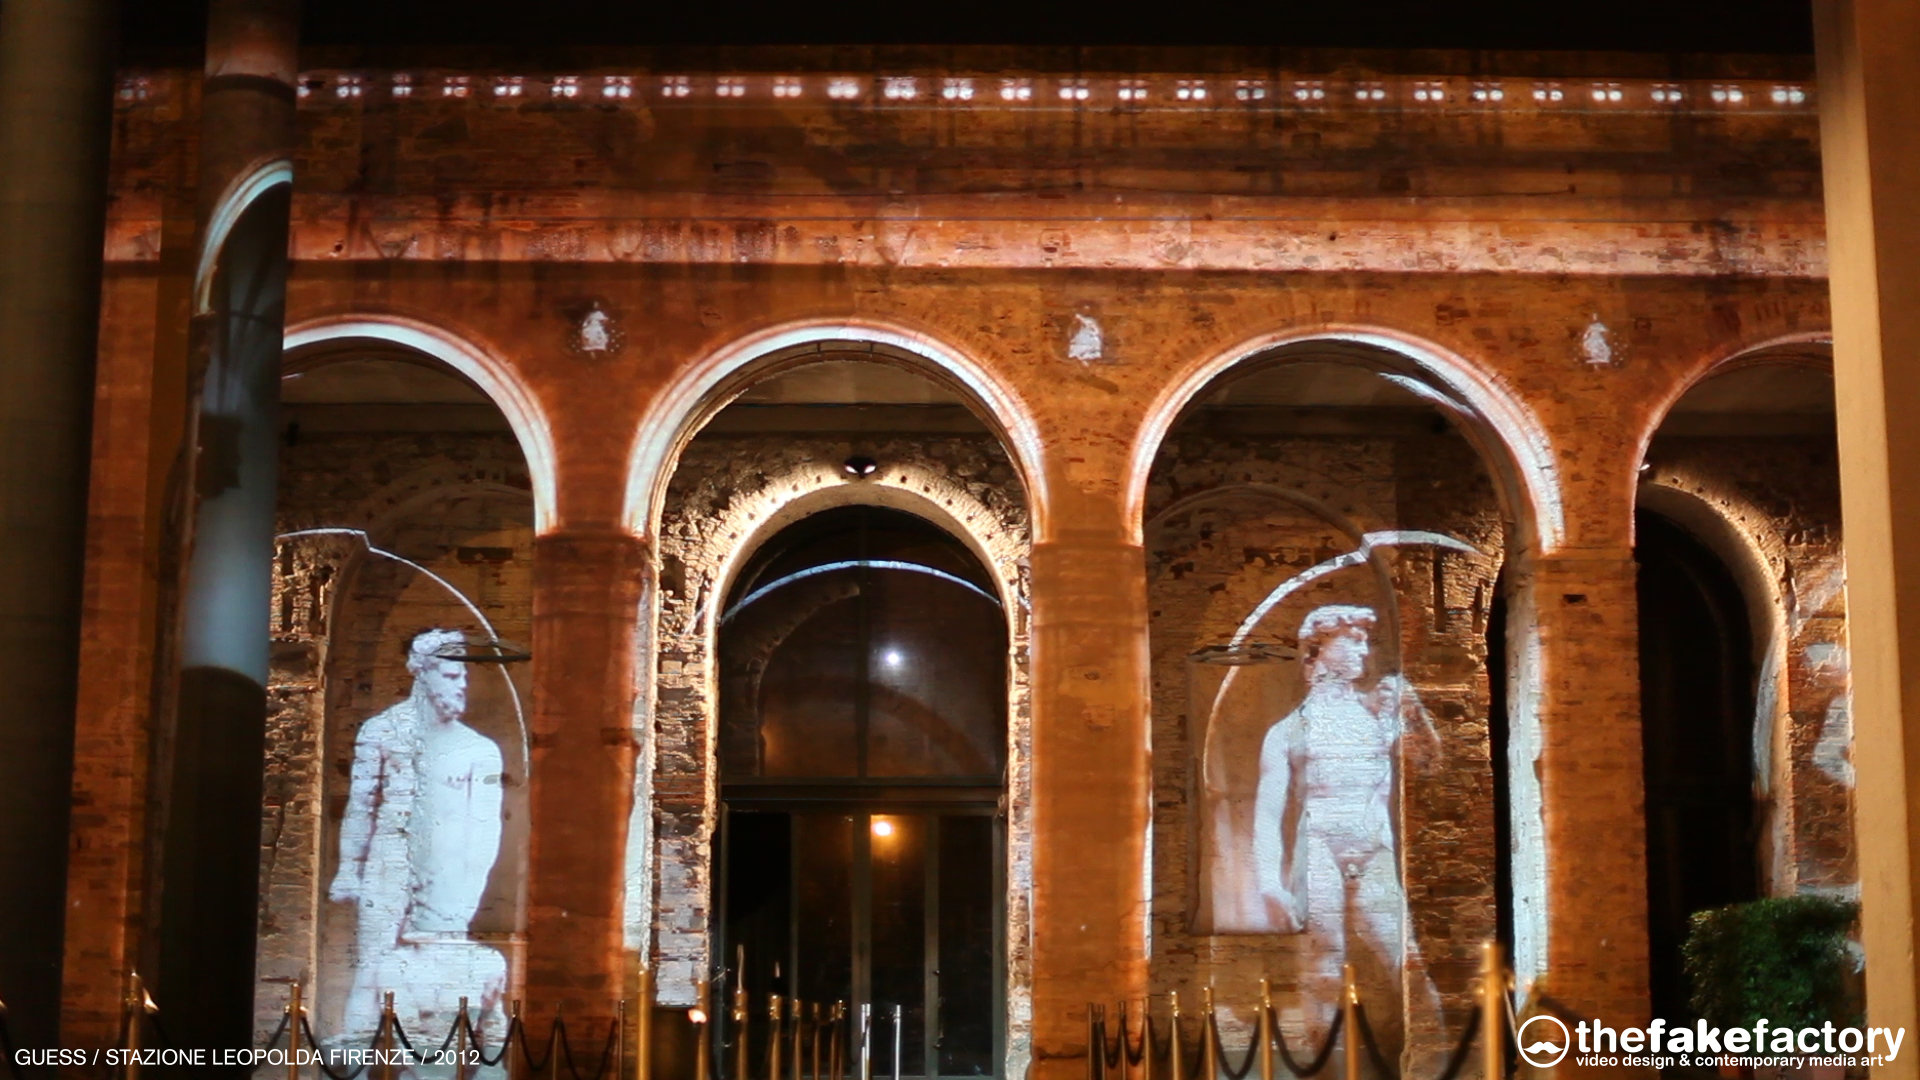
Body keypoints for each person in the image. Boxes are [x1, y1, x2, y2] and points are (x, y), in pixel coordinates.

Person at [330, 628, 507, 1038]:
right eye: (451, 675)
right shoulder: (380, 731)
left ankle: (433, 1046)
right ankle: (360, 1049)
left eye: (465, 676)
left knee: (438, 963)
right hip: (388, 857)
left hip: (448, 866)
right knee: (372, 965)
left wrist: (468, 886)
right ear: (422, 672)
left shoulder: (479, 750)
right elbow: (362, 804)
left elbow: (485, 828)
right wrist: (350, 869)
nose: (461, 685)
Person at [1250, 605, 1434, 959]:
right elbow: (1268, 816)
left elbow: (1429, 763)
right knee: (1324, 962)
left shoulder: (1378, 713)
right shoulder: (1287, 731)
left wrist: (1414, 713)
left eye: (1365, 641)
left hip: (1374, 848)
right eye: (1353, 640)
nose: (1364, 651)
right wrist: (1268, 883)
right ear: (1318, 646)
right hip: (1318, 848)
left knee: (1403, 957)